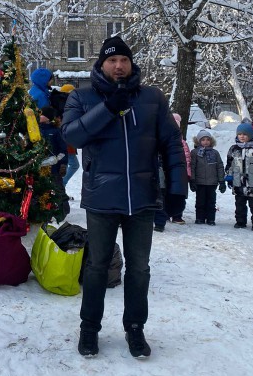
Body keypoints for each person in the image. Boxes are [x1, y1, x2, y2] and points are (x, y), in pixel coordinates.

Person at [61, 35, 186, 359]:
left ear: (131, 65)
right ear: (101, 64)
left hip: (142, 199)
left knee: (140, 268)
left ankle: (135, 328)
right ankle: (89, 328)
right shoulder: (82, 97)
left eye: (124, 60)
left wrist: (176, 189)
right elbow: (72, 135)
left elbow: (171, 143)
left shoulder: (152, 98)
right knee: (96, 266)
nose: (119, 65)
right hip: (101, 199)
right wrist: (108, 108)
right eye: (112, 60)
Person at [154, 113, 191, 231]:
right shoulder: (155, 138)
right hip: (154, 174)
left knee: (163, 198)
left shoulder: (176, 142)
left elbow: (181, 161)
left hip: (165, 175)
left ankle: (161, 221)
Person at [225, 123, 253, 231]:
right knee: (239, 204)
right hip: (238, 182)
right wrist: (229, 177)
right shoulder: (234, 149)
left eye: (245, 134)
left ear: (250, 135)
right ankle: (240, 221)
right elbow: (229, 164)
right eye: (239, 134)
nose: (242, 136)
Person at [190, 129, 225, 225]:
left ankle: (210, 218)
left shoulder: (215, 153)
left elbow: (220, 166)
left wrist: (221, 181)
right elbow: (192, 166)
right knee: (200, 201)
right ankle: (200, 218)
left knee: (211, 201)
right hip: (199, 181)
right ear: (198, 141)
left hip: (212, 182)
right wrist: (192, 180)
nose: (205, 142)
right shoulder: (195, 152)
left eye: (207, 139)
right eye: (203, 140)